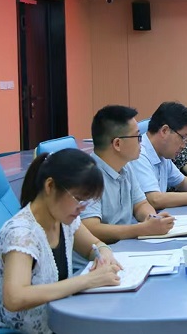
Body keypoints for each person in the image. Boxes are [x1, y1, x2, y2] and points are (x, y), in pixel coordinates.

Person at [0, 149, 122, 333]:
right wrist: (87, 280)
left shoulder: (64, 218)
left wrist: (104, 254)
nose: (82, 209)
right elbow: (15, 298)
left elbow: (93, 246)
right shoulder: (21, 235)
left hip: (59, 321)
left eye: (87, 202)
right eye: (78, 199)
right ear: (50, 186)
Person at [77, 106, 175, 270]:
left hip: (123, 251)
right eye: (137, 137)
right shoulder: (87, 176)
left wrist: (152, 219)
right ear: (117, 144)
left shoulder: (126, 166)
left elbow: (140, 204)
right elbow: (91, 228)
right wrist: (141, 229)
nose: (141, 142)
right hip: (94, 265)